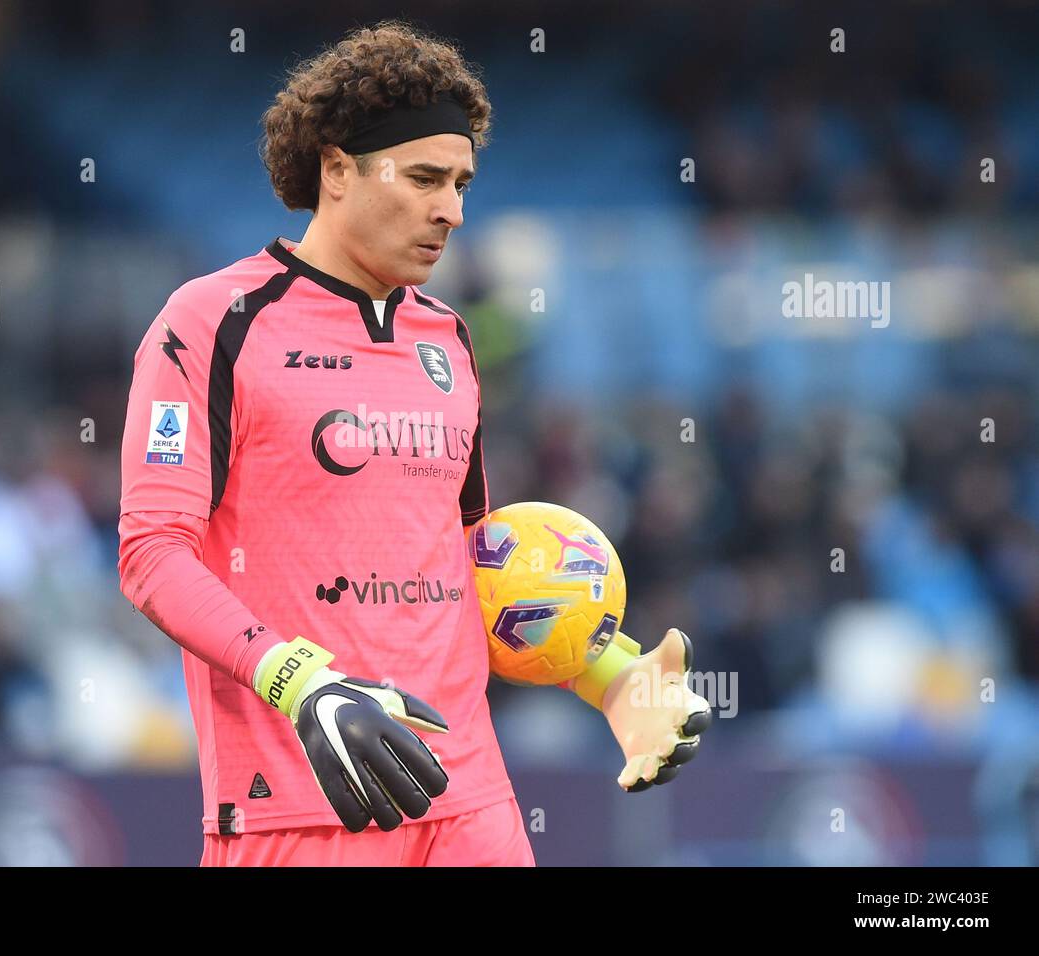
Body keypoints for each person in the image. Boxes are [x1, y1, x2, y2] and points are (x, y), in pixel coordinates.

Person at [117, 19, 710, 867]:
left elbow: (470, 562)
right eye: (426, 178)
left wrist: (608, 673)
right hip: (305, 809)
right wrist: (303, 681)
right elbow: (152, 554)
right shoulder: (212, 322)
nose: (453, 212)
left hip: (473, 806)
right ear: (335, 171)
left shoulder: (449, 340)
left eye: (463, 184)